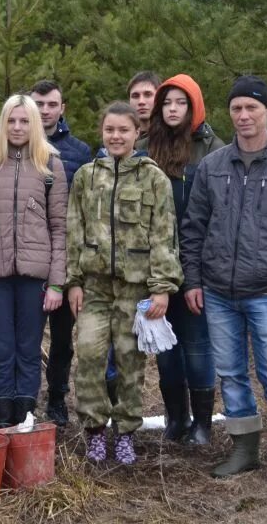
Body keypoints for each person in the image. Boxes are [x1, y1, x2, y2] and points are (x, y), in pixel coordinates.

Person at [180, 76, 267, 488]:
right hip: (219, 292)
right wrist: (193, 280)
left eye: (251, 108)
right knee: (231, 373)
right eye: (237, 109)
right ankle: (243, 451)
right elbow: (194, 227)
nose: (243, 116)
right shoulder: (213, 166)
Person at [66, 101, 181, 465]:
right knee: (89, 356)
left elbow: (165, 235)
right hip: (96, 288)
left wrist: (161, 287)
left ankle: (126, 433)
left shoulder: (153, 178)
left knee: (131, 364)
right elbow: (74, 230)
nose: (116, 136)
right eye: (109, 130)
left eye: (123, 130)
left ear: (137, 133)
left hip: (135, 290)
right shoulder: (87, 175)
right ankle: (96, 430)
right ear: (102, 132)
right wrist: (73, 281)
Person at [0, 94, 67, 428]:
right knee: (1, 350)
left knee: (28, 351)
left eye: (25, 121)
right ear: (3, 122)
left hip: (35, 276)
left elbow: (60, 227)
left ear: (35, 124)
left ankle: (24, 421)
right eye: (11, 120)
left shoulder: (51, 165)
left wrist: (56, 282)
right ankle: (3, 421)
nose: (18, 127)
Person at [141, 74, 224, 443]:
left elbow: (219, 214)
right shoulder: (145, 146)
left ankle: (202, 424)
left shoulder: (212, 150)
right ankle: (176, 418)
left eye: (181, 103)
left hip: (195, 265)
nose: (173, 109)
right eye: (167, 103)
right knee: (166, 345)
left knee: (196, 345)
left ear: (194, 107)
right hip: (154, 265)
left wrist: (201, 272)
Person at [30, 80, 92, 427]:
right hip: (30, 253)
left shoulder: (79, 151)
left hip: (67, 254)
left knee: (62, 336)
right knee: (28, 333)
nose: (44, 110)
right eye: (38, 103)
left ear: (62, 107)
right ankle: (24, 397)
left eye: (51, 104)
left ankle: (57, 398)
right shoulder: (20, 144)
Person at [127, 71, 161, 137]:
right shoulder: (119, 139)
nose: (141, 101)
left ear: (159, 97)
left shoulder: (173, 139)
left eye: (148, 95)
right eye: (135, 96)